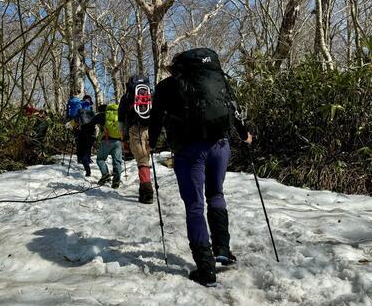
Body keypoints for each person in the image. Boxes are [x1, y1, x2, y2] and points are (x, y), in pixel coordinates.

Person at [148, 48, 252, 287]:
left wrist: (151, 144)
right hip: (220, 145)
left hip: (189, 151)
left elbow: (156, 119)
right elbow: (234, 110)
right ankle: (223, 249)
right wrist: (245, 135)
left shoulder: (167, 86)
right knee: (216, 194)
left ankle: (206, 270)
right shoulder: (218, 79)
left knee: (194, 206)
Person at [118, 75, 154, 204]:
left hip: (136, 129)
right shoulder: (151, 93)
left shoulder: (127, 97)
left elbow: (121, 118)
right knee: (145, 158)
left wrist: (122, 136)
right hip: (150, 129)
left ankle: (147, 191)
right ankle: (144, 188)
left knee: (142, 160)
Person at [92, 103, 123, 188]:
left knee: (100, 159)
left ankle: (105, 175)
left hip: (106, 140)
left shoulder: (102, 115)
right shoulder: (120, 114)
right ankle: (116, 181)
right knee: (117, 161)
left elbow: (90, 123)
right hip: (118, 141)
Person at [66, 94, 95, 176]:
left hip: (81, 127)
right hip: (83, 127)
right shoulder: (82, 105)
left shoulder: (85, 106)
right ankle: (82, 158)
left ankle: (84, 158)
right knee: (82, 143)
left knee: (80, 142)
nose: (88, 101)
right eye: (88, 99)